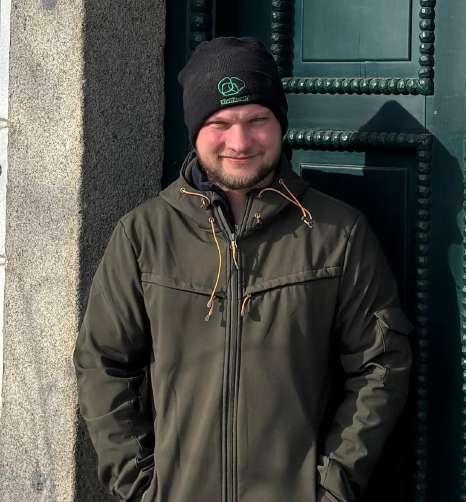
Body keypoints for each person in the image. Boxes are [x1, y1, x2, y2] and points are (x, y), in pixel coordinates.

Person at [74, 37, 412, 502]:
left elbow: (380, 364)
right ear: (195, 129)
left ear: (280, 123)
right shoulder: (143, 235)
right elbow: (102, 363)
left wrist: (332, 486)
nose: (240, 142)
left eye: (257, 120)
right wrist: (140, 486)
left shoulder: (338, 233)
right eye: (220, 123)